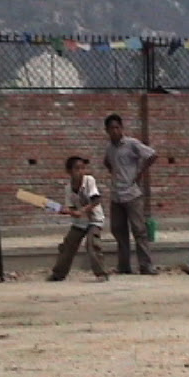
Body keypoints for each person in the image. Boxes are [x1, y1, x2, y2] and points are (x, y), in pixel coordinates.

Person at [103, 114, 158, 275]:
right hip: (116, 195)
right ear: (106, 130)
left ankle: (146, 265)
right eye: (111, 128)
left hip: (132, 194)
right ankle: (124, 266)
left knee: (139, 231)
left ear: (121, 128)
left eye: (117, 127)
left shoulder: (131, 144)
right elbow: (107, 162)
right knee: (119, 231)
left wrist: (140, 172)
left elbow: (152, 154)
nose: (114, 131)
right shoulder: (109, 148)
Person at [48, 156, 108, 282]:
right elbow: (71, 208)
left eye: (82, 168)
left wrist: (82, 211)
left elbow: (96, 200)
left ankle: (101, 273)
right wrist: (68, 211)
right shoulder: (68, 188)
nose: (81, 171)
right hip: (79, 223)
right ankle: (58, 274)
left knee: (92, 244)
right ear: (69, 171)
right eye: (77, 169)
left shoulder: (89, 180)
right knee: (68, 245)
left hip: (95, 220)